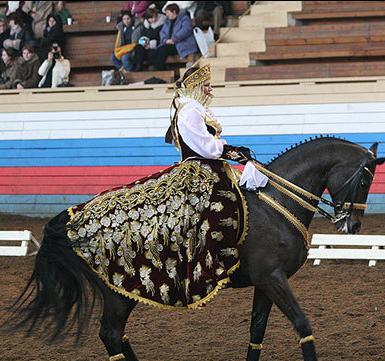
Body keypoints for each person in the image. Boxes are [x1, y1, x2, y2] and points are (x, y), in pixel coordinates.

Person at [65, 63, 264, 309]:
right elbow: (204, 147)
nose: (211, 90)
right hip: (200, 170)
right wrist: (227, 150)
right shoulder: (190, 110)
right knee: (218, 207)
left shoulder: (197, 109)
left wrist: (228, 150)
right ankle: (210, 263)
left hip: (212, 167)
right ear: (196, 87)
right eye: (207, 85)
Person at [149, 3, 198, 70]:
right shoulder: (167, 21)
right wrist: (165, 40)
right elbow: (162, 32)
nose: (166, 15)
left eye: (168, 13)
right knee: (157, 50)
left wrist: (174, 39)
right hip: (168, 44)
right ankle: (156, 67)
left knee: (163, 49)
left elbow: (186, 30)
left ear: (174, 12)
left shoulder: (184, 19)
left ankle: (160, 68)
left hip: (181, 44)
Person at [129, 6, 165, 71]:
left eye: (155, 17)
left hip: (157, 46)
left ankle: (151, 66)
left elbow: (162, 38)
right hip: (146, 45)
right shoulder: (145, 25)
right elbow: (142, 36)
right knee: (138, 47)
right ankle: (138, 66)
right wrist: (144, 42)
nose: (153, 19)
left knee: (151, 52)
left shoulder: (162, 24)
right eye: (151, 18)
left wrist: (151, 44)